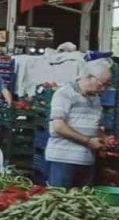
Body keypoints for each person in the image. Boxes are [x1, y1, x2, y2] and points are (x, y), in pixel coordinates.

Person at [45, 58, 112, 188]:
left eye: (107, 85)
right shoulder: (65, 93)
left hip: (86, 161)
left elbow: (93, 126)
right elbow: (58, 126)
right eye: (101, 84)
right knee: (60, 200)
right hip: (64, 159)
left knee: (81, 204)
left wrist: (104, 138)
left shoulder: (96, 98)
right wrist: (88, 141)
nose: (103, 89)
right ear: (89, 77)